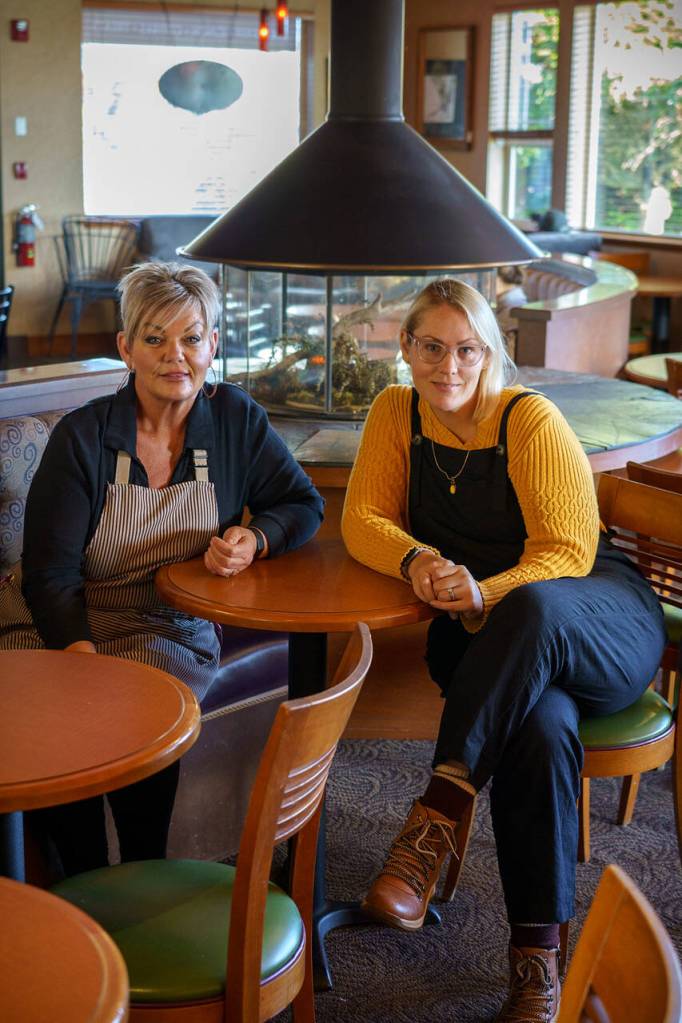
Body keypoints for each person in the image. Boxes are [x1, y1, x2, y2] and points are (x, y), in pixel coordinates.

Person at [341, 278, 666, 1022]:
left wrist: (487, 591)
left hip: (593, 617)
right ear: (407, 347)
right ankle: (537, 964)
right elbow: (363, 518)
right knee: (541, 729)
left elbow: (570, 551)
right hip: (493, 649)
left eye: (465, 349)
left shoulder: (528, 419)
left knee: (533, 604)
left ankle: (434, 818)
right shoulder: (396, 412)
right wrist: (417, 560)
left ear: (490, 352)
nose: (447, 366)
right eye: (431, 346)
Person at [0, 261, 323, 877]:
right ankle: (84, 882)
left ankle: (143, 872)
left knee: (145, 709)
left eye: (191, 338)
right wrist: (78, 658)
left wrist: (254, 539)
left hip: (168, 623)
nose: (175, 355)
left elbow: (302, 504)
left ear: (213, 346)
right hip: (59, 617)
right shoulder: (83, 437)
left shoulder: (235, 421)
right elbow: (50, 574)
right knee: (57, 718)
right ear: (126, 348)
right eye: (155, 338)